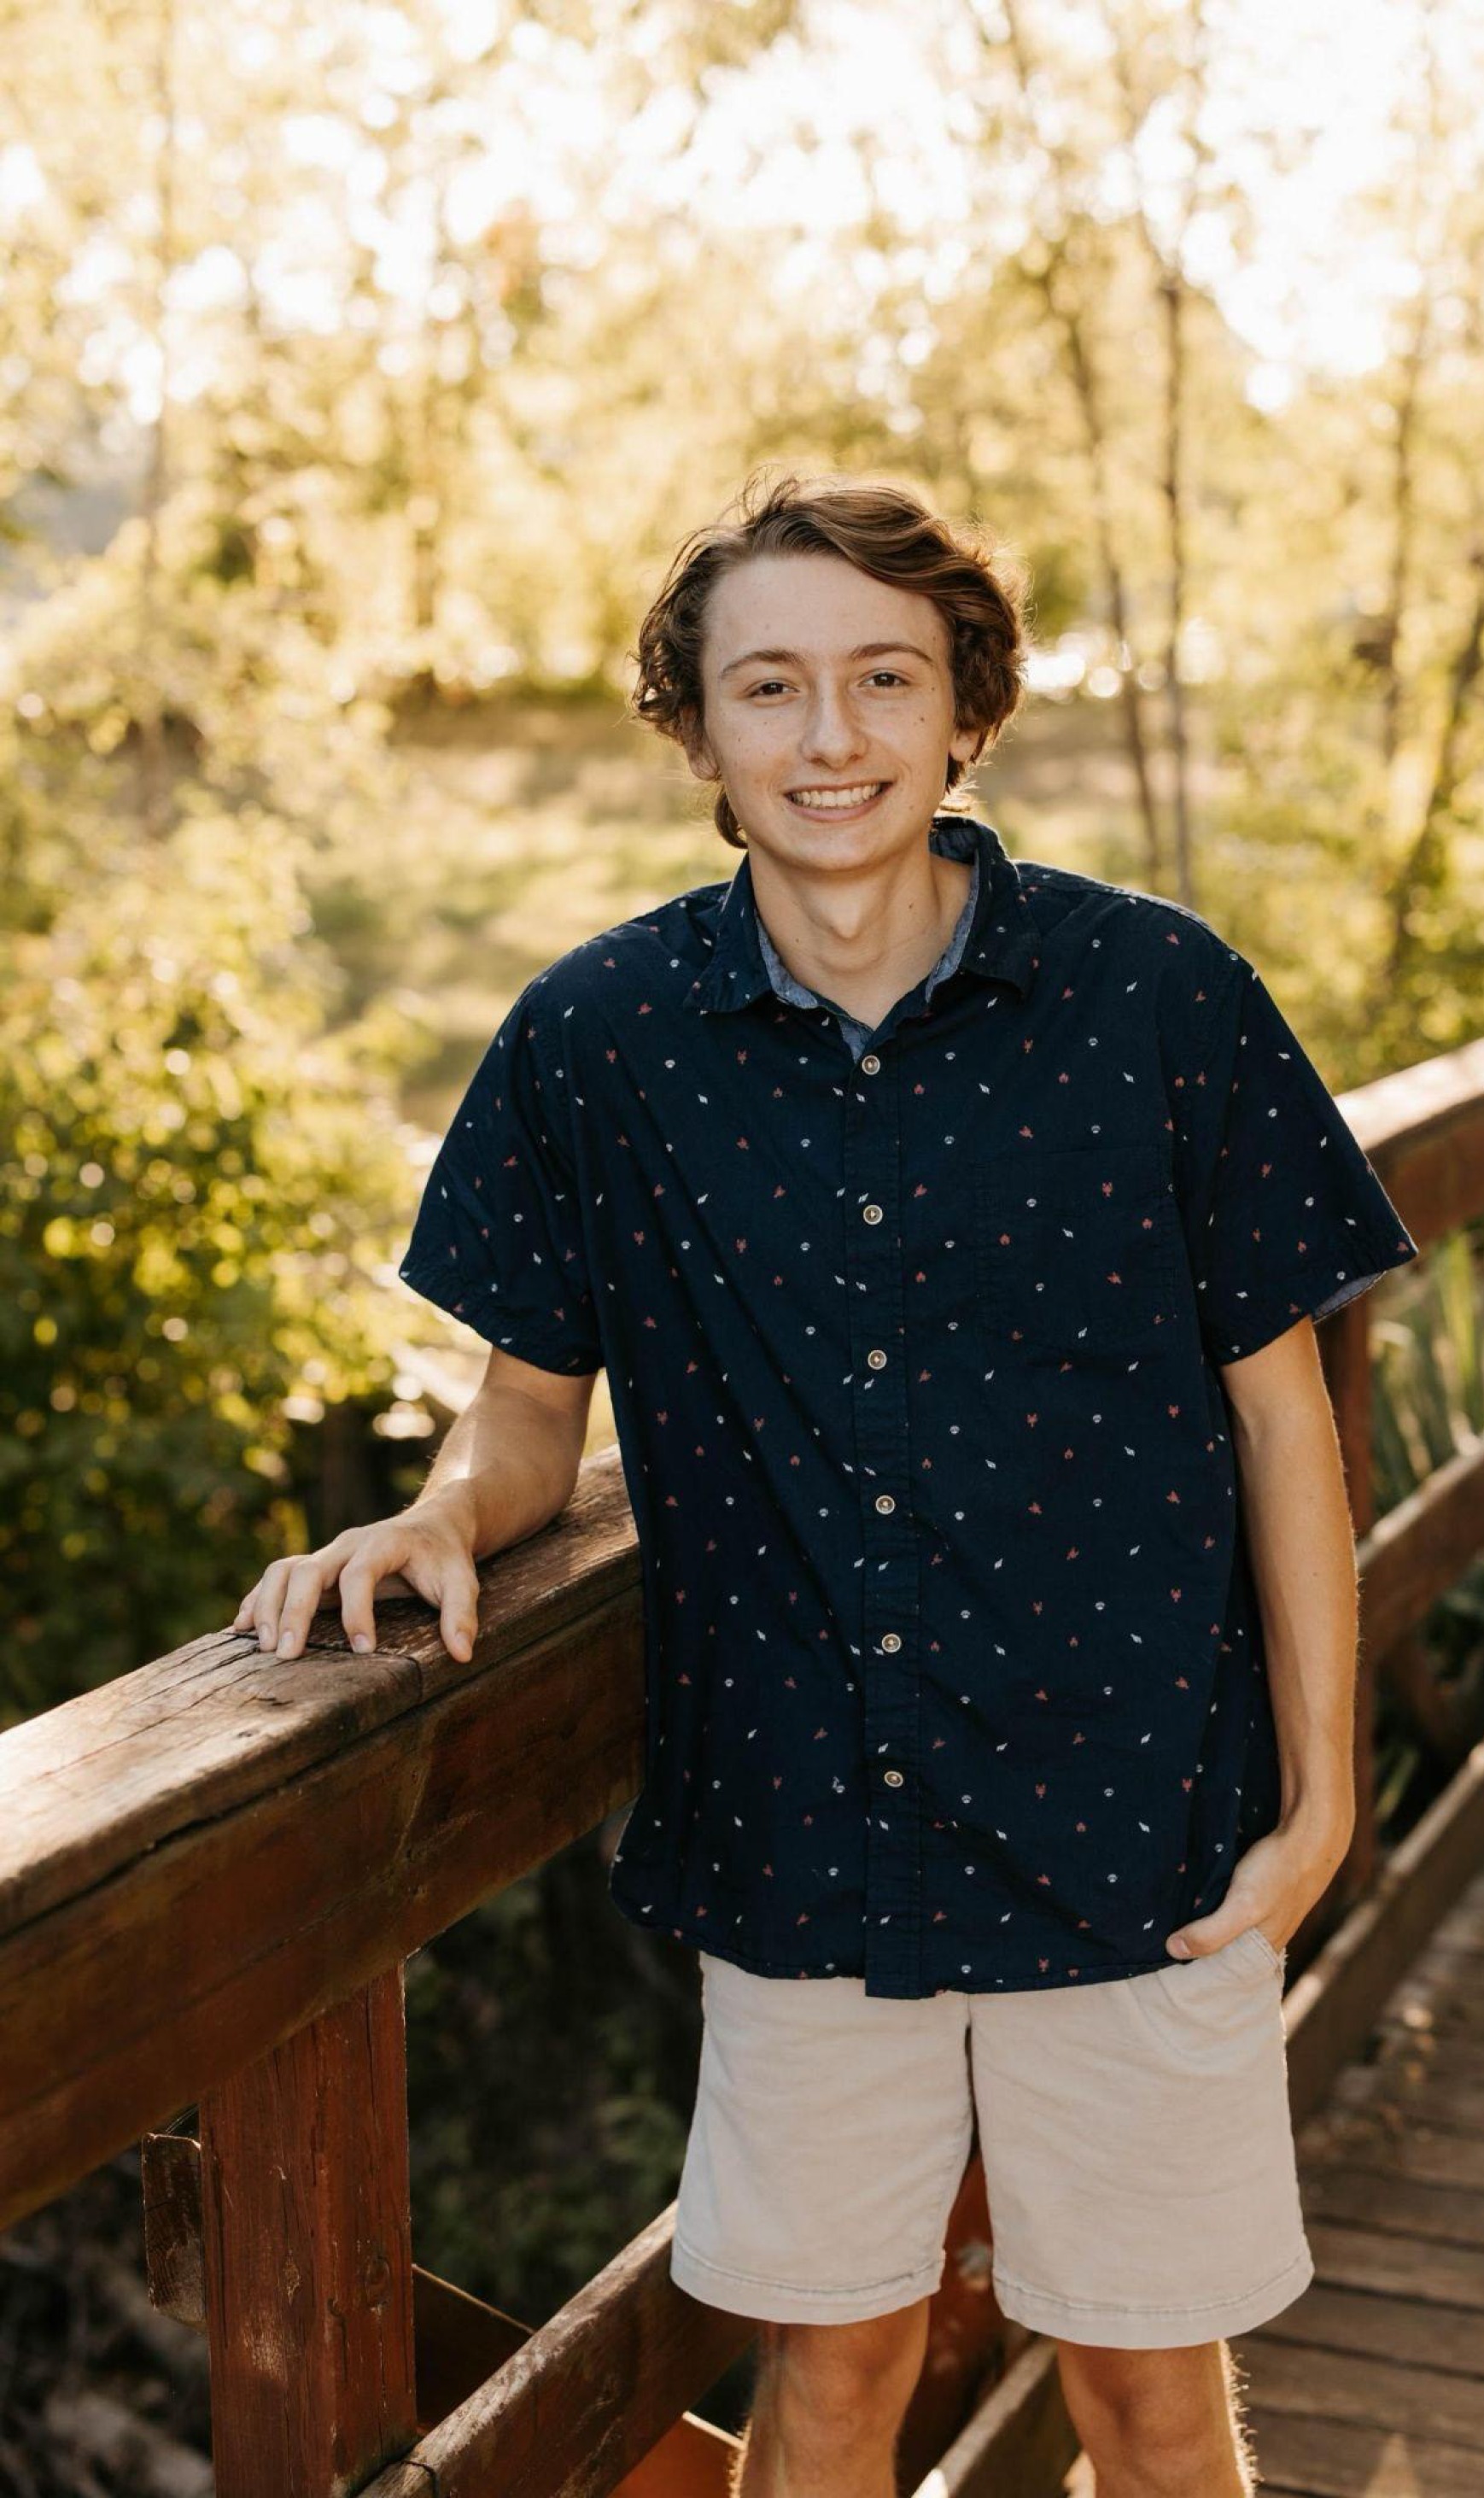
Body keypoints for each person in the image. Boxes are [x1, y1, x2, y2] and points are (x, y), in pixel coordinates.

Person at [231, 471, 1419, 2498]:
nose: (832, 734)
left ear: (970, 710)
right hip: (804, 1842)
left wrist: (1318, 1805)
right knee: (836, 2380)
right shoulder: (598, 1038)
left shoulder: (1157, 996)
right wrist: (442, 1514)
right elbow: (528, 1413)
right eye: (767, 686)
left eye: (885, 676)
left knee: (1147, 2399)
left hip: (1144, 1832)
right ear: (694, 733)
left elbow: (1284, 1412)